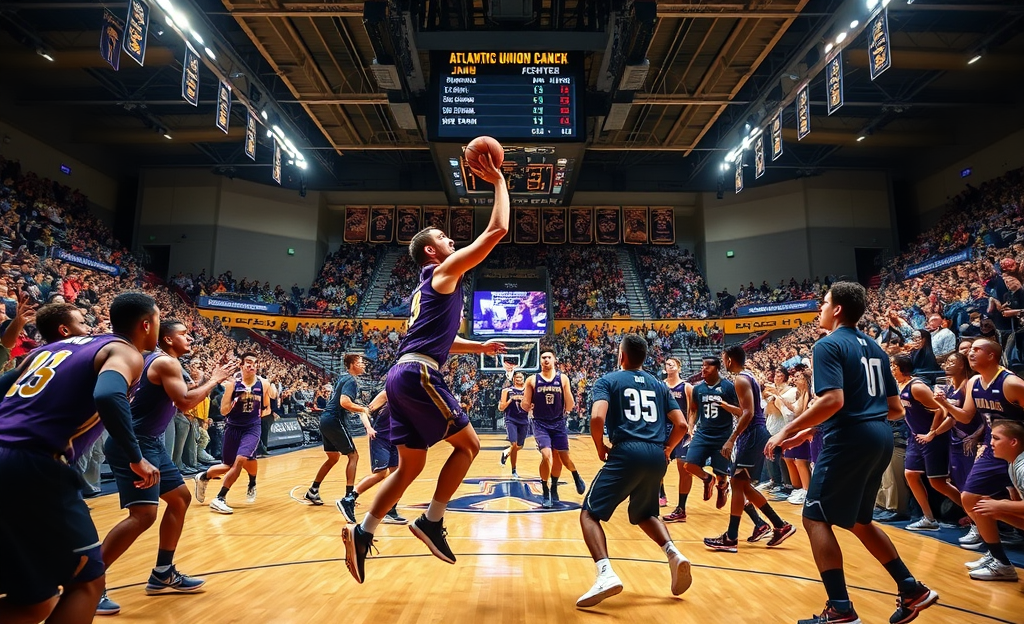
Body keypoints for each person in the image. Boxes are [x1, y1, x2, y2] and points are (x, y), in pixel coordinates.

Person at [342, 149, 508, 584]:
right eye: (445, 238)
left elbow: (441, 338)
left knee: (410, 466)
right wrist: (498, 181)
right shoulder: (442, 272)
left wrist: (479, 348)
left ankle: (363, 531)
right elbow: (497, 231)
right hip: (418, 374)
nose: (452, 242)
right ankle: (432, 520)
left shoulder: (426, 289)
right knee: (469, 447)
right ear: (433, 251)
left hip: (403, 373)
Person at [765, 282, 937, 624]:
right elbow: (894, 409)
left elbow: (833, 400)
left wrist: (787, 430)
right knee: (860, 521)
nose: (820, 309)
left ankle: (840, 608)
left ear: (838, 309)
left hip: (851, 438)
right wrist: (816, 429)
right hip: (880, 435)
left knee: (814, 518)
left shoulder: (827, 345)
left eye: (824, 303)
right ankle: (911, 588)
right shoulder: (876, 349)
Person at [0, 292, 161, 624]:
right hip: (34, 463)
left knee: (35, 604)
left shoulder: (46, 350)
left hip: (12, 457)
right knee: (87, 584)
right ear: (147, 325)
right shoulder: (124, 351)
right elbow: (108, 394)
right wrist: (135, 456)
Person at [97, 320, 236, 615]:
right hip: (134, 445)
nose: (190, 337)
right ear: (169, 339)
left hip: (150, 443)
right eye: (184, 334)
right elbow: (185, 403)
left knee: (180, 499)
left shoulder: (157, 360)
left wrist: (204, 382)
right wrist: (214, 380)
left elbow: (181, 395)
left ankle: (162, 572)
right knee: (143, 515)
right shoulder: (165, 362)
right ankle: (90, 582)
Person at [576, 334, 691, 607]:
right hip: (656, 454)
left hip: (627, 450)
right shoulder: (659, 385)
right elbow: (682, 425)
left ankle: (605, 574)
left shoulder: (608, 380)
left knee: (589, 514)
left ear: (621, 355)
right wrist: (667, 449)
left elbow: (597, 417)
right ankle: (673, 553)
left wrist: (599, 446)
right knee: (645, 513)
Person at [934, 338, 1024, 581]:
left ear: (992, 356)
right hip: (992, 447)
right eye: (970, 350)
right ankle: (998, 558)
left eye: (976, 349)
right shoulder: (974, 382)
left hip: (1016, 449)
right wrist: (944, 404)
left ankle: (1000, 556)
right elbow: (965, 417)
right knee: (970, 498)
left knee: (1012, 504)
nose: (970, 353)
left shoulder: (1012, 383)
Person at [704, 346, 796, 552]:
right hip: (754, 433)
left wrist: (731, 439)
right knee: (742, 486)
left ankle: (731, 537)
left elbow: (749, 413)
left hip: (752, 434)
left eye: (724, 359)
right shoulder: (749, 376)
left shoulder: (740, 379)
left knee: (737, 484)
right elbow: (746, 410)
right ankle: (779, 525)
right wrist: (728, 408)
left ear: (729, 360)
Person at [193, 352, 272, 514]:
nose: (252, 365)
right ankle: (203, 477)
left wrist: (257, 413)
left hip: (252, 428)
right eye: (248, 362)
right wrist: (237, 401)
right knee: (228, 465)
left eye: (255, 363)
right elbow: (223, 411)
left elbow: (267, 408)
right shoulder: (232, 385)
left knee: (241, 460)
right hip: (233, 427)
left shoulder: (263, 384)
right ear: (241, 365)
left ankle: (220, 497)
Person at [890, 354, 962, 532]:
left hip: (932, 439)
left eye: (894, 366)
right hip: (915, 438)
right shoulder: (899, 385)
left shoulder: (917, 387)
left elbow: (941, 409)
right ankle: (928, 518)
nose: (891, 369)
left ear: (902, 368)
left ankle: (976, 516)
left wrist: (932, 432)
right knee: (910, 474)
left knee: (938, 483)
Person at [305, 354, 375, 505]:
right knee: (353, 456)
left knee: (333, 458)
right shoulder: (350, 380)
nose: (363, 365)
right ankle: (349, 496)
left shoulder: (342, 378)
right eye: (360, 362)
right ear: (353, 364)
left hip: (325, 420)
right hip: (334, 420)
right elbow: (344, 402)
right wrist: (363, 409)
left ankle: (313, 490)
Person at [521, 351, 587, 508]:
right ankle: (545, 491)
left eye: (549, 357)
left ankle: (569, 478)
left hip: (558, 422)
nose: (546, 360)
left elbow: (570, 405)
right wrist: (526, 404)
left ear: (554, 360)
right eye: (543, 357)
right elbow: (525, 405)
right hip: (540, 423)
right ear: (540, 361)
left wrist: (568, 394)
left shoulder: (562, 379)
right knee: (547, 455)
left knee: (562, 457)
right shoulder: (532, 380)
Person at [337, 391, 407, 525]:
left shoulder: (410, 396)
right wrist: (368, 428)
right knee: (381, 474)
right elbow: (364, 412)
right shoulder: (386, 394)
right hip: (380, 438)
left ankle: (390, 511)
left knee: (397, 475)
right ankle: (348, 499)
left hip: (395, 439)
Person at [683, 356, 736, 510]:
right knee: (689, 465)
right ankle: (707, 479)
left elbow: (740, 410)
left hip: (723, 435)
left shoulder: (728, 387)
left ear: (717, 368)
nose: (703, 369)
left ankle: (723, 487)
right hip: (703, 433)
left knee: (721, 473)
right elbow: (694, 409)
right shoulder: (698, 388)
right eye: (702, 365)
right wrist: (690, 426)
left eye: (708, 366)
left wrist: (726, 406)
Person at [972, 420, 1024, 529]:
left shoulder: (1022, 468)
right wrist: (999, 512)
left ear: (1013, 442)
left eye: (996, 438)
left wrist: (1001, 505)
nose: (991, 443)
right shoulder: (1012, 464)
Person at [661, 357, 693, 523]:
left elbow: (693, 409)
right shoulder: (661, 385)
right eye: (667, 364)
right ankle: (661, 493)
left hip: (682, 430)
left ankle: (681, 507)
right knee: (658, 465)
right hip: (664, 429)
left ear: (679, 367)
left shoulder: (686, 387)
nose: (669, 366)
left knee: (684, 468)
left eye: (672, 364)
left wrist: (691, 427)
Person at [498, 370, 529, 478]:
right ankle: (514, 470)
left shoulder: (528, 391)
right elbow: (501, 408)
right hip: (511, 419)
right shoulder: (507, 391)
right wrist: (511, 399)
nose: (519, 379)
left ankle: (506, 452)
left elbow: (531, 406)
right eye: (517, 377)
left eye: (521, 377)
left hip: (524, 420)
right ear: (513, 379)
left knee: (519, 446)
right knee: (514, 444)